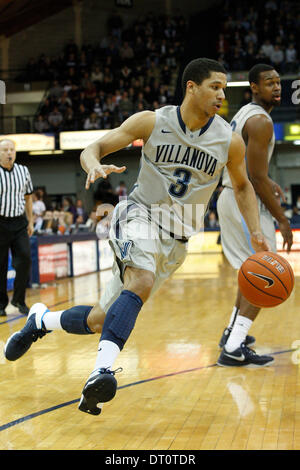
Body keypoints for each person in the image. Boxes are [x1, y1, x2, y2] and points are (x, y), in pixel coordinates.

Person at [4, 58, 271, 416]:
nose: (222, 94)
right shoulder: (153, 121)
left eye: (224, 88)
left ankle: (40, 321)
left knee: (100, 318)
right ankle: (101, 372)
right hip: (139, 215)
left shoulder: (228, 140)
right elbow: (92, 148)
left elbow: (242, 186)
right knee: (141, 280)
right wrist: (93, 165)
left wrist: (255, 230)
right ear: (191, 87)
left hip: (177, 240)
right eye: (215, 86)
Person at [216, 64, 293, 367]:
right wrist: (283, 220)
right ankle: (233, 348)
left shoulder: (244, 113)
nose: (277, 87)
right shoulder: (260, 121)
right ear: (254, 87)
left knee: (250, 273)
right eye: (269, 83)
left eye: (278, 83)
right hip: (243, 200)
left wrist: (264, 179)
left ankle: (230, 334)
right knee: (265, 275)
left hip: (228, 195)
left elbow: (249, 168)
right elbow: (257, 179)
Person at [0, 139, 34, 316]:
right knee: (1, 265)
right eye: (5, 150)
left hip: (19, 222)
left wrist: (30, 221)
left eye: (11, 149)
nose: (9, 153)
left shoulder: (23, 171)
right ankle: (0, 305)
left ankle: (19, 300)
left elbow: (28, 198)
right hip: (0, 223)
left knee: (26, 259)